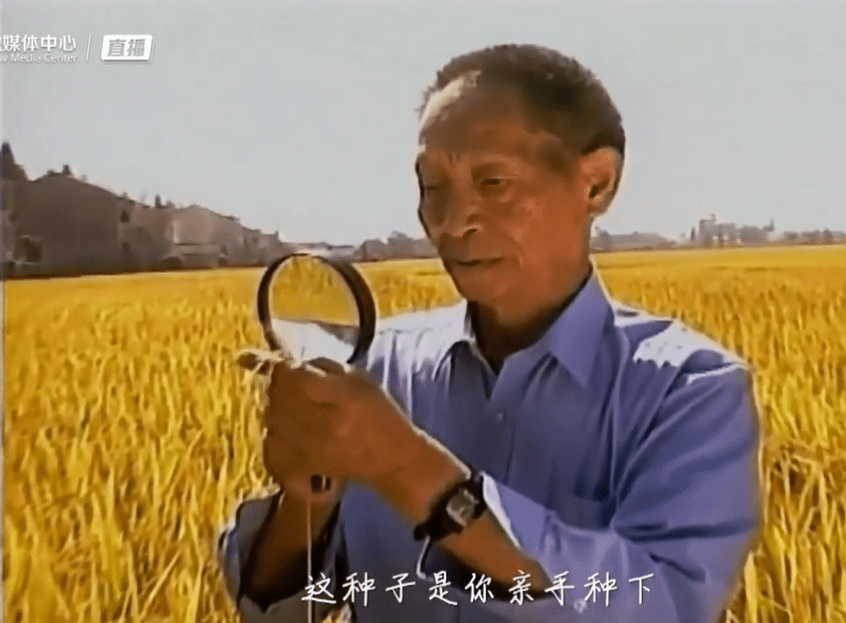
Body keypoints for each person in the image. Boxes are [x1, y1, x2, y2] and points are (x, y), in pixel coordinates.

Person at [217, 43, 762, 623]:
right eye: (433, 186)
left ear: (596, 183)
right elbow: (279, 607)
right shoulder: (377, 368)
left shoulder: (689, 391)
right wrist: (307, 496)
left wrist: (409, 469)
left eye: (494, 182)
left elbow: (665, 607)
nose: (452, 222)